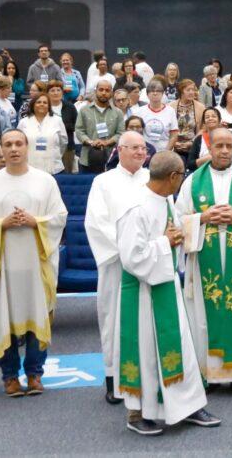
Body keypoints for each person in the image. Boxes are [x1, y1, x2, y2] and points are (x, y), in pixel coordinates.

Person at [114, 151, 220, 434]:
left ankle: (187, 407)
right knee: (147, 355)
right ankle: (138, 414)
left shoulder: (165, 200)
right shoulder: (136, 207)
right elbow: (131, 257)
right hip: (143, 293)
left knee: (181, 348)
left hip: (166, 285)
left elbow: (172, 234)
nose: (182, 180)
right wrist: (165, 242)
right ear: (173, 176)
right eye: (181, 176)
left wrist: (174, 239)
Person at [0, 129, 68, 396]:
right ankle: (10, 375)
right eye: (7, 144)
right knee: (5, 316)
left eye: (18, 144)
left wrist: (34, 221)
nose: (13, 149)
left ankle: (35, 373)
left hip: (36, 263)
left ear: (27, 147)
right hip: (2, 264)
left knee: (38, 312)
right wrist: (1, 223)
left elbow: (60, 216)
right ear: (1, 149)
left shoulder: (45, 181)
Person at [175, 128, 232, 393]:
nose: (225, 151)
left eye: (229, 146)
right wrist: (202, 219)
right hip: (205, 256)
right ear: (210, 149)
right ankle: (210, 374)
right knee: (205, 316)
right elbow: (179, 218)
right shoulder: (193, 182)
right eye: (220, 146)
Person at [83, 131, 150, 404]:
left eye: (143, 148)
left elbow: (165, 217)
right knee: (114, 319)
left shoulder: (152, 179)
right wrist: (128, 250)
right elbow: (97, 223)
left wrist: (149, 250)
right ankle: (113, 377)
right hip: (117, 264)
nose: (140, 152)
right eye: (134, 147)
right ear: (120, 150)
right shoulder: (103, 182)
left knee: (147, 320)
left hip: (149, 262)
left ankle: (147, 376)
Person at [76, 77, 125, 173]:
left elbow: (121, 133)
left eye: (107, 90)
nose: (104, 93)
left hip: (110, 160)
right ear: (95, 91)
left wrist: (107, 142)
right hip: (87, 159)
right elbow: (79, 131)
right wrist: (90, 142)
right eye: (101, 90)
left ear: (111, 93)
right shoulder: (84, 110)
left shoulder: (118, 112)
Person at [19, 93, 68, 175]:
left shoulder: (57, 120)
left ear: (49, 106)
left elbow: (63, 142)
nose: (42, 104)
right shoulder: (23, 122)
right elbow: (19, 142)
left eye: (45, 103)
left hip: (54, 169)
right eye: (38, 102)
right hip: (30, 168)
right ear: (33, 105)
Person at [129, 79, 178, 154]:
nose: (155, 93)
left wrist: (166, 152)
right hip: (144, 152)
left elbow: (174, 135)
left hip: (164, 152)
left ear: (163, 94)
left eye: (158, 91)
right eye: (152, 91)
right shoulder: (138, 112)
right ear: (147, 94)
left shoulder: (170, 111)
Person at [46, 80, 78, 173]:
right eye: (52, 90)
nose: (56, 93)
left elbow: (76, 125)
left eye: (58, 90)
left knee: (67, 174)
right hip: (49, 146)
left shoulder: (70, 107)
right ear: (47, 93)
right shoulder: (44, 107)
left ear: (62, 92)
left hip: (68, 147)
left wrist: (62, 126)